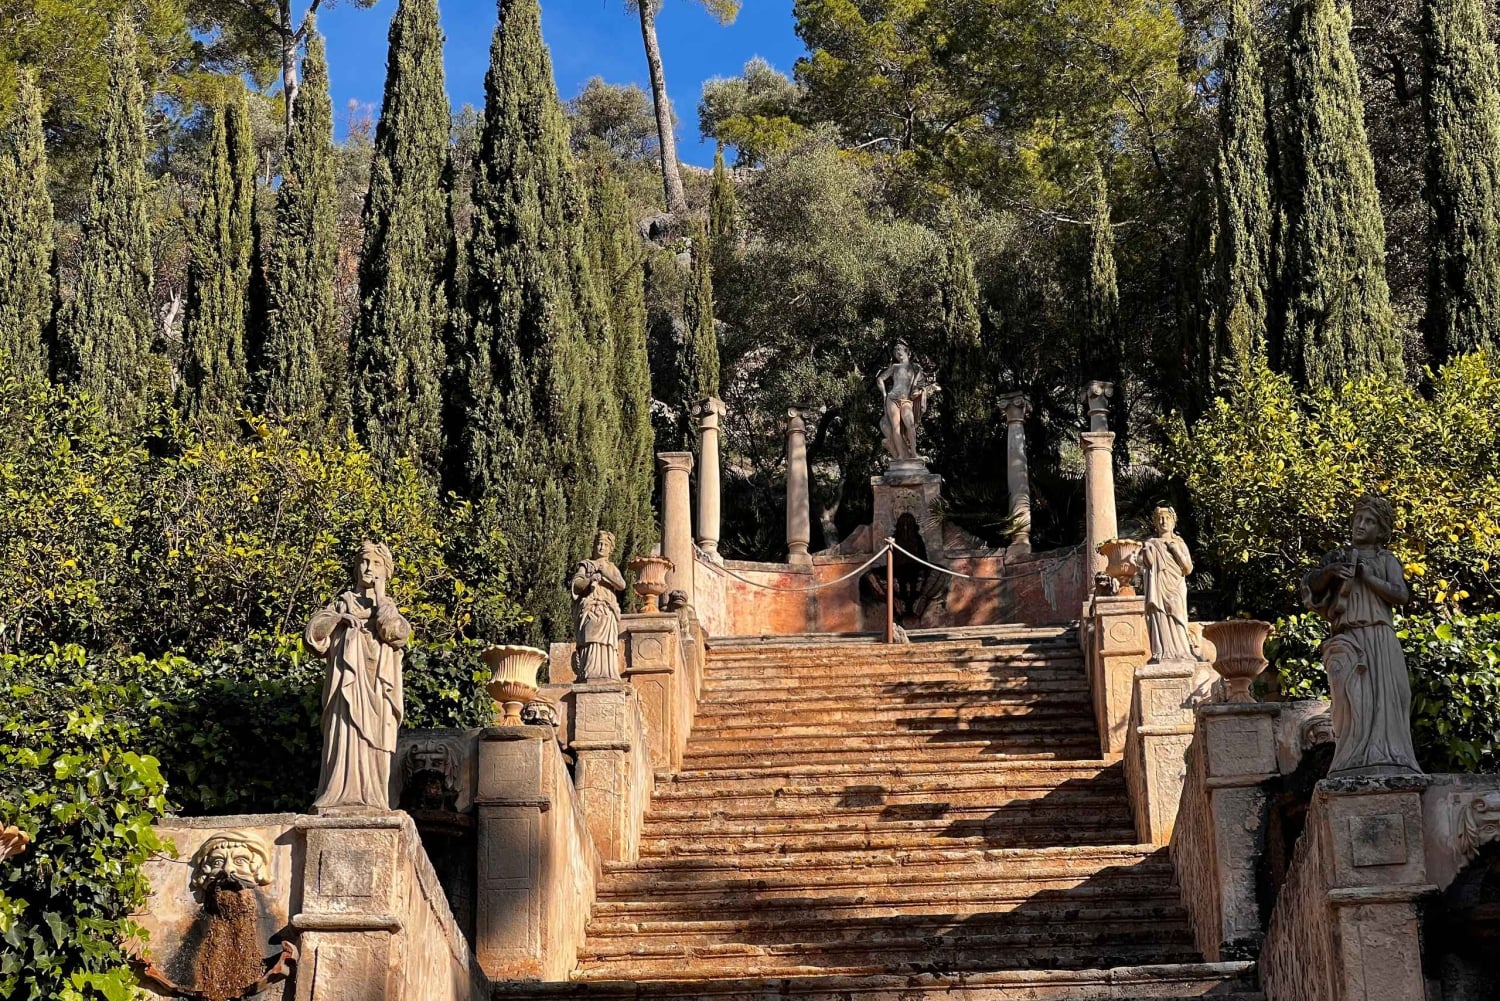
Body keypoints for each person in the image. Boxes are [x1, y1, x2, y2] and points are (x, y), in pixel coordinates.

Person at [1300, 495, 1422, 777]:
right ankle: (1352, 759)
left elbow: (1401, 594)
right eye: (1358, 519)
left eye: (1369, 522)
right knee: (1352, 700)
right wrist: (1329, 573)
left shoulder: (1386, 559)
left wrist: (1369, 577)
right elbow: (1312, 591)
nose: (1361, 525)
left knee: (1391, 697)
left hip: (1381, 636)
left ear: (1381, 531)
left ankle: (1392, 756)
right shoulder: (1338, 558)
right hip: (1350, 639)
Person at [305, 541, 410, 811]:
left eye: (376, 564)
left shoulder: (389, 607)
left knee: (376, 741)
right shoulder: (343, 603)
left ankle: (373, 799)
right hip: (346, 687)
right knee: (344, 738)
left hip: (378, 689)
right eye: (363, 562)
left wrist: (381, 598)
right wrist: (340, 620)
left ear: (387, 571)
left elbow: (395, 633)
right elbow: (313, 636)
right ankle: (338, 795)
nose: (368, 568)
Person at [1136, 506, 1201, 664]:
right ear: (1155, 523)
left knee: (1177, 615)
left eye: (1167, 518)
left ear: (1174, 522)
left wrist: (1175, 550)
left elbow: (1188, 568)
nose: (1163, 521)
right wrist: (1146, 552)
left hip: (1175, 585)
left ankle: (1182, 652)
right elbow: (1148, 564)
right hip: (1158, 586)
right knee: (1160, 615)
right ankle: (1162, 652)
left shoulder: (1179, 542)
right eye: (1159, 519)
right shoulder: (1152, 543)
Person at [571, 530, 627, 681]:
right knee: (590, 637)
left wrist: (605, 573)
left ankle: (607, 673)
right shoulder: (586, 565)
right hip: (590, 607)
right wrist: (590, 580)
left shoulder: (612, 567)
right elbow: (576, 584)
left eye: (605, 545)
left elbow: (621, 584)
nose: (601, 547)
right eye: (599, 544)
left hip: (607, 609)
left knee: (607, 643)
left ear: (610, 549)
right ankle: (588, 672)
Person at [876, 341, 939, 461]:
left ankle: (914, 454)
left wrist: (922, 391)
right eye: (895, 351)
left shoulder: (915, 367)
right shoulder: (894, 367)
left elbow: (919, 385)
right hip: (892, 398)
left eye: (899, 349)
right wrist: (884, 394)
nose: (897, 352)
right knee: (895, 427)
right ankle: (900, 455)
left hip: (906, 400)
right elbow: (880, 379)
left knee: (910, 424)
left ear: (907, 352)